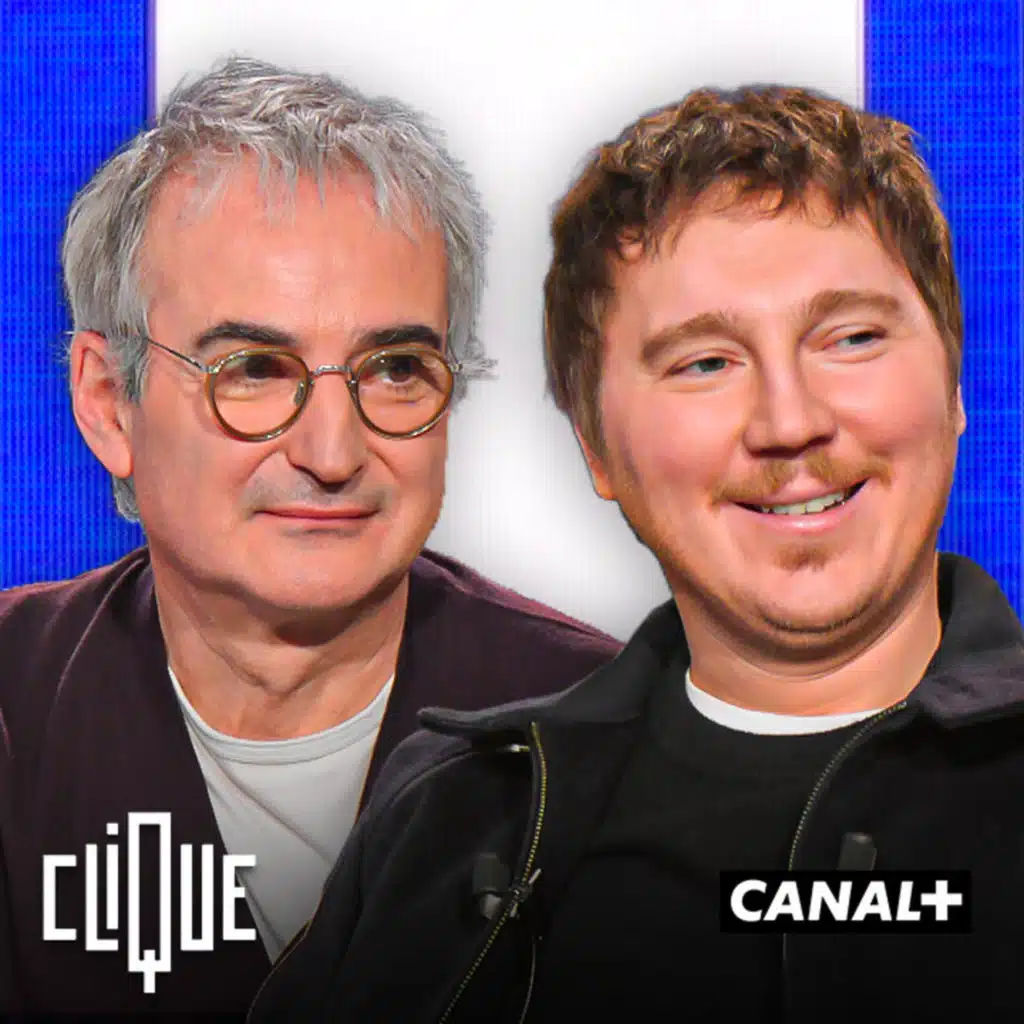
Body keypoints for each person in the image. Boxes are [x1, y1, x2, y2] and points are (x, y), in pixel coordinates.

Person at [248, 84, 1024, 1023]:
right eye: (706, 362)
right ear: (597, 449)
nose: (790, 422)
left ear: (952, 385)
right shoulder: (449, 813)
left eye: (852, 338)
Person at [0, 57, 620, 1017]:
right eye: (253, 369)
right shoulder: (13, 707)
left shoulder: (608, 743)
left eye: (397, 369)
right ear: (109, 402)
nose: (333, 452)